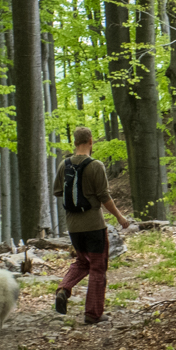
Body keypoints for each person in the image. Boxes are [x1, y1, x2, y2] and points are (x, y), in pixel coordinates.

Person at [52, 126, 131, 324]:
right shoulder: (96, 166)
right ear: (90, 141)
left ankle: (63, 289)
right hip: (94, 225)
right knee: (97, 267)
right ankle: (93, 314)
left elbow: (58, 192)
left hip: (73, 227)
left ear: (75, 142)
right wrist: (120, 218)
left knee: (82, 261)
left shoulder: (64, 164)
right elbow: (104, 197)